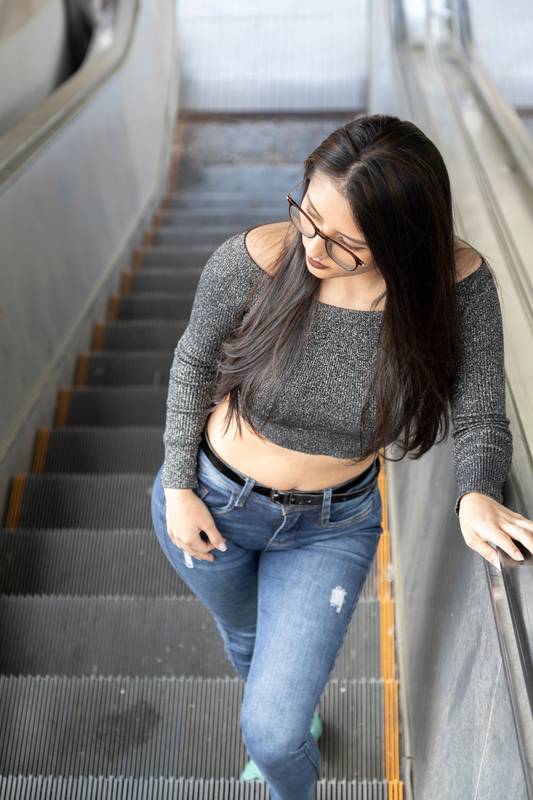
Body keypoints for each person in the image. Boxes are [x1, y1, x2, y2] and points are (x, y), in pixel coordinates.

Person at [150, 114, 532, 800]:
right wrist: (178, 485)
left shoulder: (456, 288)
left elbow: (477, 408)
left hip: (331, 524)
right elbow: (191, 362)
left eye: (344, 241)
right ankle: (287, 715)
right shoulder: (257, 259)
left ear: (401, 239)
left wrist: (474, 489)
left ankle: (285, 766)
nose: (313, 246)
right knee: (244, 635)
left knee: (269, 731)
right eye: (308, 215)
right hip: (209, 500)